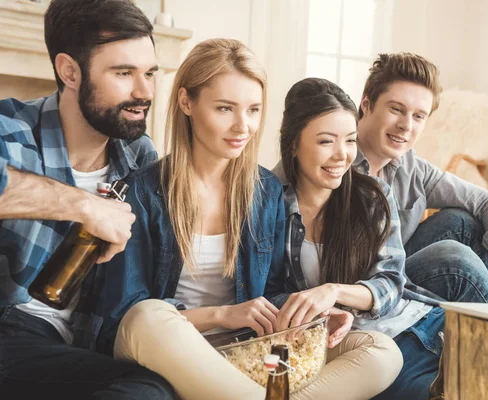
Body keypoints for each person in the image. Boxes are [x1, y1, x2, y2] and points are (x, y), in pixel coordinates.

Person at [88, 39, 402, 400]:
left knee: (380, 351)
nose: (243, 126)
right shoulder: (141, 192)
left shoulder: (265, 190)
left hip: (240, 350)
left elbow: (267, 294)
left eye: (253, 110)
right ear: (186, 102)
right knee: (148, 315)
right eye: (225, 108)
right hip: (168, 345)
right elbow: (120, 320)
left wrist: (312, 319)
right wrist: (222, 314)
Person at [267, 77, 488, 400]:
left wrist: (333, 291)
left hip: (422, 321)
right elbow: (266, 294)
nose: (342, 155)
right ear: (294, 144)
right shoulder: (271, 205)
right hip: (373, 350)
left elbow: (392, 281)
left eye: (350, 140)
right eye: (326, 142)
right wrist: (313, 310)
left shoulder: (371, 194)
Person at [274, 53, 488, 308]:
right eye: (396, 109)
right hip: (357, 284)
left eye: (419, 116)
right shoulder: (322, 158)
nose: (406, 125)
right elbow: (271, 205)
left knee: (462, 222)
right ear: (366, 104)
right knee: (454, 257)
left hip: (394, 268)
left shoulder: (412, 167)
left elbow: (485, 200)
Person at [0, 0, 175, 398]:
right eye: (123, 73)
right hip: (12, 331)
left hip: (89, 338)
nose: (144, 91)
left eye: (149, 73)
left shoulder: (138, 155)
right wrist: (84, 205)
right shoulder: (11, 130)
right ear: (70, 71)